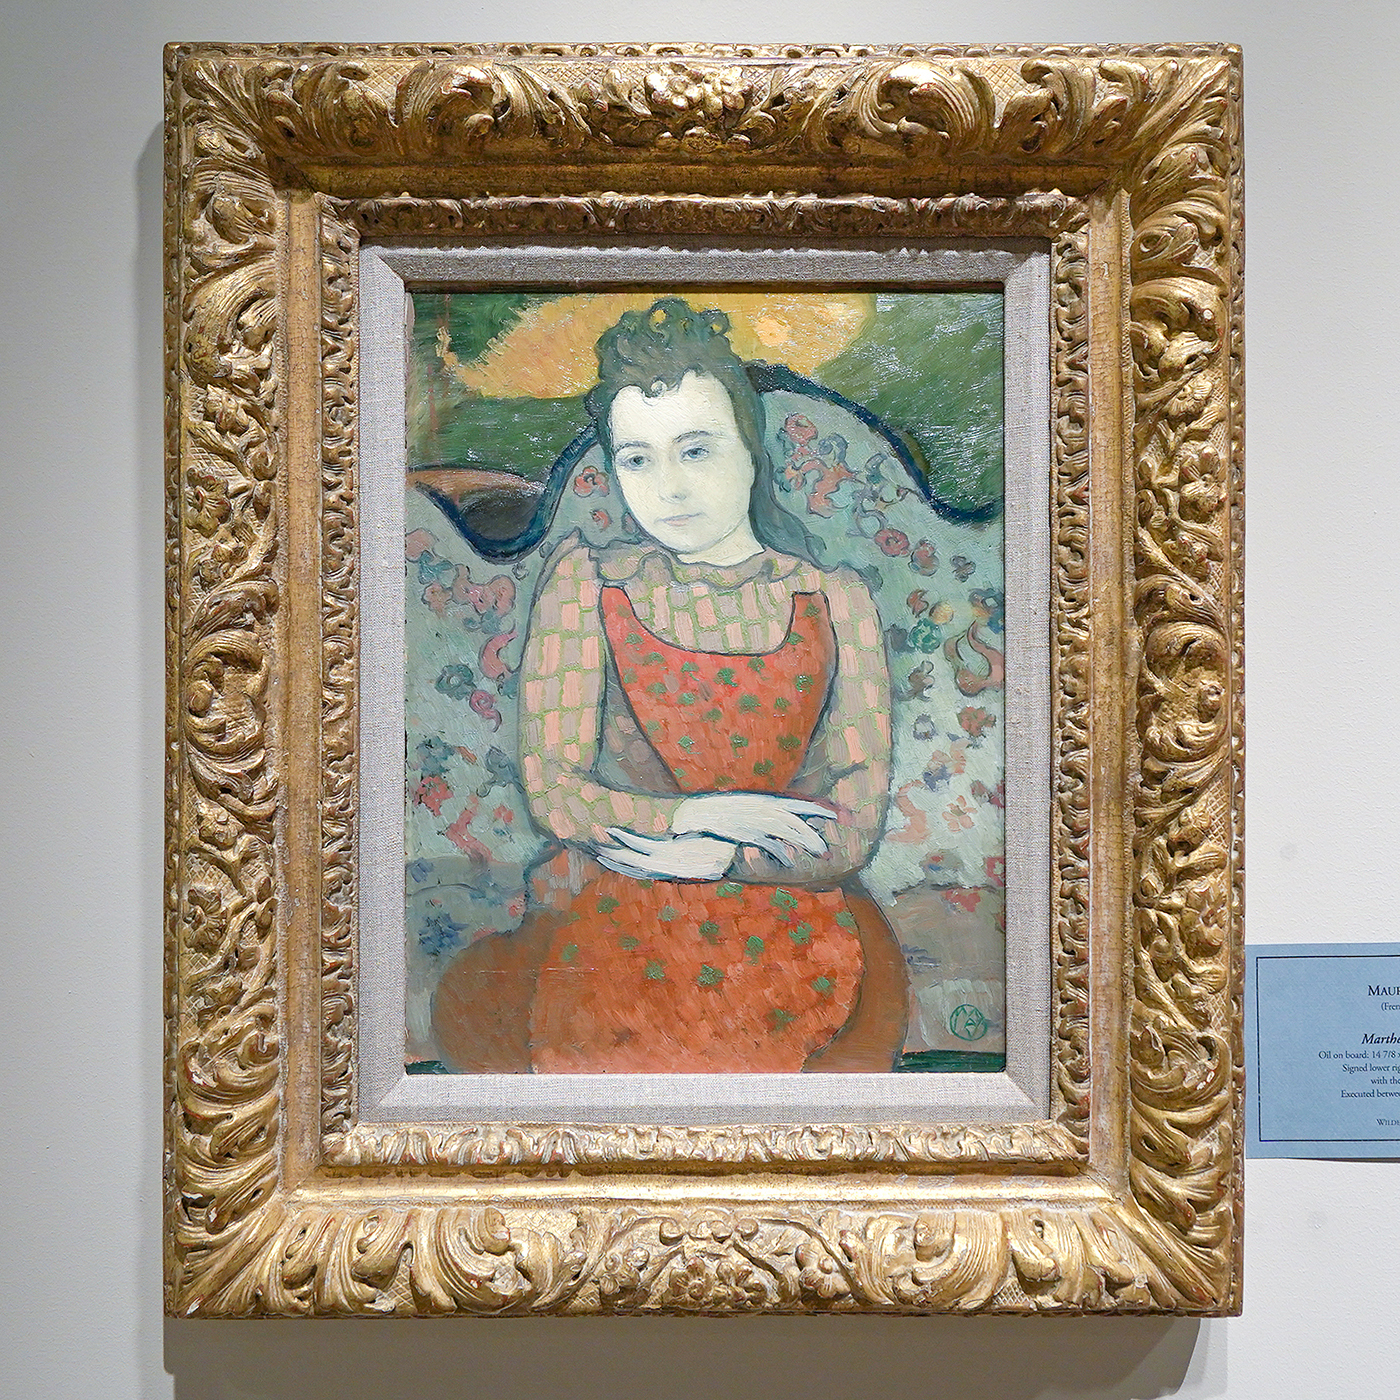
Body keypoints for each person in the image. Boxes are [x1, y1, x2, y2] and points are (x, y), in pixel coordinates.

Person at [433, 298, 907, 1073]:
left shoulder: (834, 601)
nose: (669, 488)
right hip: (617, 887)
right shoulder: (588, 585)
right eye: (638, 459)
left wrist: (722, 859)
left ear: (750, 449)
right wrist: (698, 817)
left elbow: (854, 822)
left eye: (695, 450)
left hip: (792, 907)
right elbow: (555, 791)